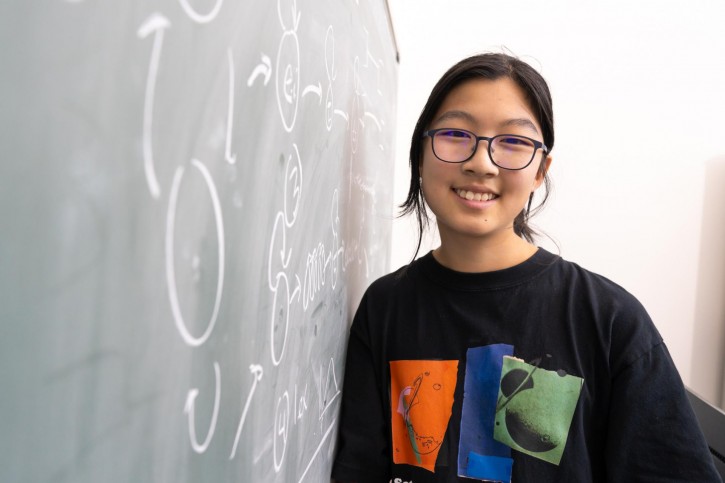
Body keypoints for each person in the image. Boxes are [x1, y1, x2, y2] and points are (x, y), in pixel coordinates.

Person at [330, 53, 721, 482]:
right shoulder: (385, 308)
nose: (481, 162)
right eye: (456, 134)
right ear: (420, 152)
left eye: (513, 142)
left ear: (540, 171)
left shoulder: (608, 319)